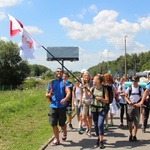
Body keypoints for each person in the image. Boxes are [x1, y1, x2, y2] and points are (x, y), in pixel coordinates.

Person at [45, 68, 70, 146]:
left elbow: (68, 92)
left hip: (62, 106)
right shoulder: (51, 83)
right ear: (55, 73)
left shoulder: (65, 82)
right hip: (53, 106)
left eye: (60, 71)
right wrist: (49, 95)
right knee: (53, 124)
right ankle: (57, 139)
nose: (59, 72)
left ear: (62, 73)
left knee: (62, 124)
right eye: (57, 71)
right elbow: (46, 94)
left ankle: (64, 132)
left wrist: (65, 98)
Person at [85, 75, 109, 149]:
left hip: (101, 109)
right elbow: (87, 97)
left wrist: (101, 98)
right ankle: (98, 139)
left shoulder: (104, 89)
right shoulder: (92, 88)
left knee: (100, 124)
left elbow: (107, 100)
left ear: (99, 81)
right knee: (95, 125)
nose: (93, 80)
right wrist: (85, 89)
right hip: (94, 109)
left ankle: (101, 142)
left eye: (95, 79)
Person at [124, 75, 144, 142]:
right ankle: (130, 134)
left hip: (137, 106)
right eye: (132, 80)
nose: (134, 82)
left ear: (138, 81)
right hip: (130, 106)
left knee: (136, 122)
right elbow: (125, 96)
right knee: (130, 122)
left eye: (135, 81)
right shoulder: (129, 88)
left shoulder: (140, 89)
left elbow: (142, 98)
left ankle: (135, 135)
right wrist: (129, 102)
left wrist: (140, 103)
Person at [79, 71, 93, 137]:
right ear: (83, 76)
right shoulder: (81, 84)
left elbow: (89, 93)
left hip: (91, 101)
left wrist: (86, 86)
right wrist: (80, 102)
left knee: (90, 117)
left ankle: (90, 131)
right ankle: (88, 127)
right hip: (84, 101)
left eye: (88, 75)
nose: (87, 77)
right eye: (85, 75)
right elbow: (81, 94)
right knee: (83, 117)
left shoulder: (91, 83)